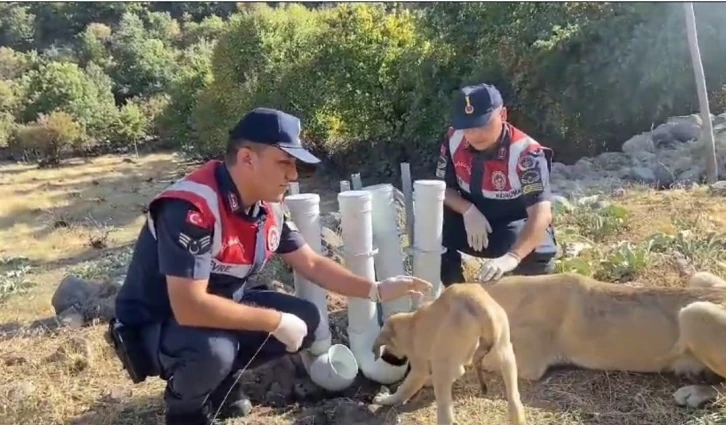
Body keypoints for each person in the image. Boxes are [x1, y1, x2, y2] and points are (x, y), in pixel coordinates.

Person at [112, 107, 431, 425]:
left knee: (307, 319)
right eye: (284, 163)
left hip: (217, 311)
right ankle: (186, 410)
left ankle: (220, 379)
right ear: (248, 158)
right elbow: (188, 306)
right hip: (158, 322)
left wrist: (374, 289)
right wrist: (275, 320)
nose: (293, 175)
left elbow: (311, 263)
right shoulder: (192, 208)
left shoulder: (267, 207)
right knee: (215, 351)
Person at [434, 83, 558, 285]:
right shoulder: (453, 139)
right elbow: (441, 188)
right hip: (471, 220)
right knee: (431, 222)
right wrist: (467, 210)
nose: (474, 134)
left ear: (503, 115)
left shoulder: (526, 152)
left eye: (482, 124)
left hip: (512, 224)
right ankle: (457, 295)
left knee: (537, 252)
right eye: (467, 126)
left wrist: (512, 257)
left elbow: (541, 214)